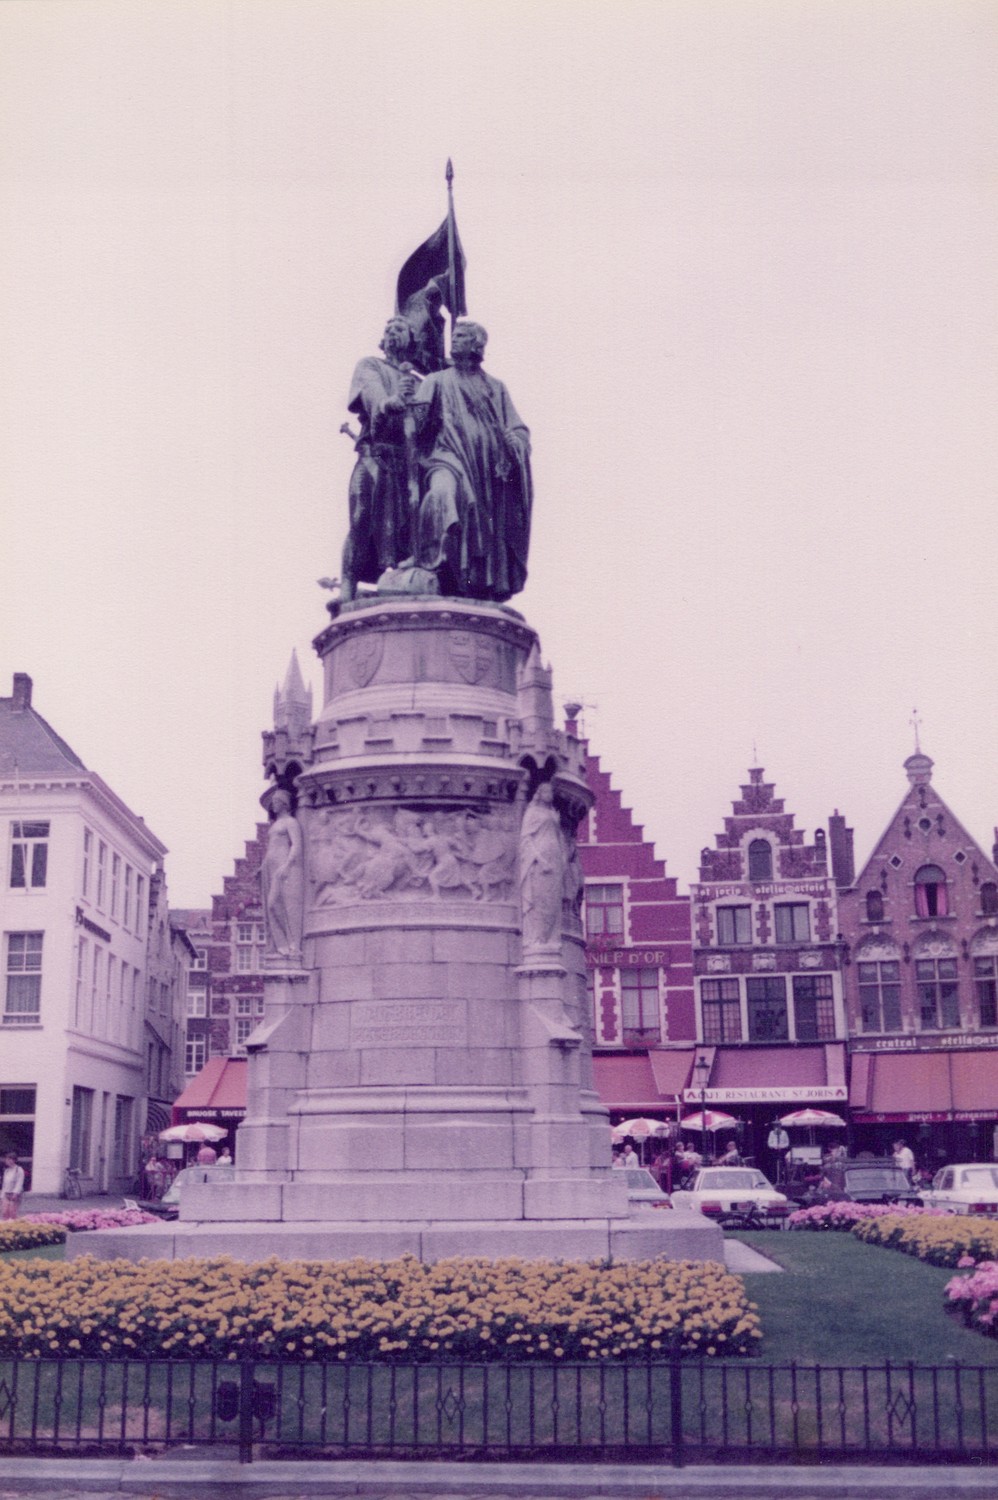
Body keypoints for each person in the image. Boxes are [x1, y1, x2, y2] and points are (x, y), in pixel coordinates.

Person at [408, 320, 531, 601]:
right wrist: (409, 404)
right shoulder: (436, 380)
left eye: (462, 335)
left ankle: (472, 579)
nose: (454, 339)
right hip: (447, 456)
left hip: (487, 468)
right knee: (442, 493)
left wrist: (516, 441)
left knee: (483, 525)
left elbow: (518, 427)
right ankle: (430, 559)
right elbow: (417, 422)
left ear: (477, 344)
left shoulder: (496, 387)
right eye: (454, 335)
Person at [340, 316, 421, 601]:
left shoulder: (419, 382)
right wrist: (390, 402)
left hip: (406, 462)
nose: (391, 332)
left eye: (399, 329)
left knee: (401, 529)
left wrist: (416, 404)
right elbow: (372, 393)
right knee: (361, 519)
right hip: (374, 454)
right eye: (388, 329)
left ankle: (395, 584)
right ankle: (347, 586)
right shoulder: (369, 365)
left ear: (412, 340)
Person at [518, 783, 564, 954]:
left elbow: (558, 837)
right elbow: (526, 838)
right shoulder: (532, 812)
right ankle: (537, 939)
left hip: (555, 860)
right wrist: (539, 858)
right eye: (546, 791)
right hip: (540, 862)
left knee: (552, 900)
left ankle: (549, 938)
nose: (550, 794)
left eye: (551, 791)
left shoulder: (553, 813)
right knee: (539, 898)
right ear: (539, 793)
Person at [260, 788, 305, 959]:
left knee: (286, 906)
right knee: (271, 906)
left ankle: (293, 944)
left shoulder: (290, 822)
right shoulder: (275, 825)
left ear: (285, 804)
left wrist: (287, 864)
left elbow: (296, 845)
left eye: (276, 802)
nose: (273, 805)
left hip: (284, 867)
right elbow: (272, 847)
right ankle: (281, 945)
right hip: (270, 869)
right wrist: (263, 866)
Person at [1, 1153, 24, 1219]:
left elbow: (19, 1182)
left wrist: (15, 1193)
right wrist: (2, 1196)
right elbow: (4, 1184)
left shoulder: (19, 1170)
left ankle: (14, 1224)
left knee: (12, 1212)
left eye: (8, 1159)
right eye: (6, 1159)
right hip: (6, 1193)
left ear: (13, 1160)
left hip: (14, 1194)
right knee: (4, 1212)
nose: (6, 1161)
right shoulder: (7, 1171)